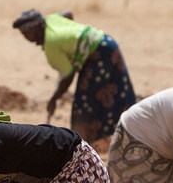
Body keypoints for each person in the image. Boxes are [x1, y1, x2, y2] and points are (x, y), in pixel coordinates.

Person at [12, 9, 136, 144]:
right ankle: (127, 132)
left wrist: (54, 98)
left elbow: (68, 75)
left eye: (27, 32)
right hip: (107, 42)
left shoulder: (51, 45)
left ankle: (85, 144)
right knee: (116, 93)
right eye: (23, 33)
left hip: (99, 55)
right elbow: (68, 14)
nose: (25, 36)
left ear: (37, 27)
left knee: (86, 103)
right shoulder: (51, 19)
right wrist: (74, 37)